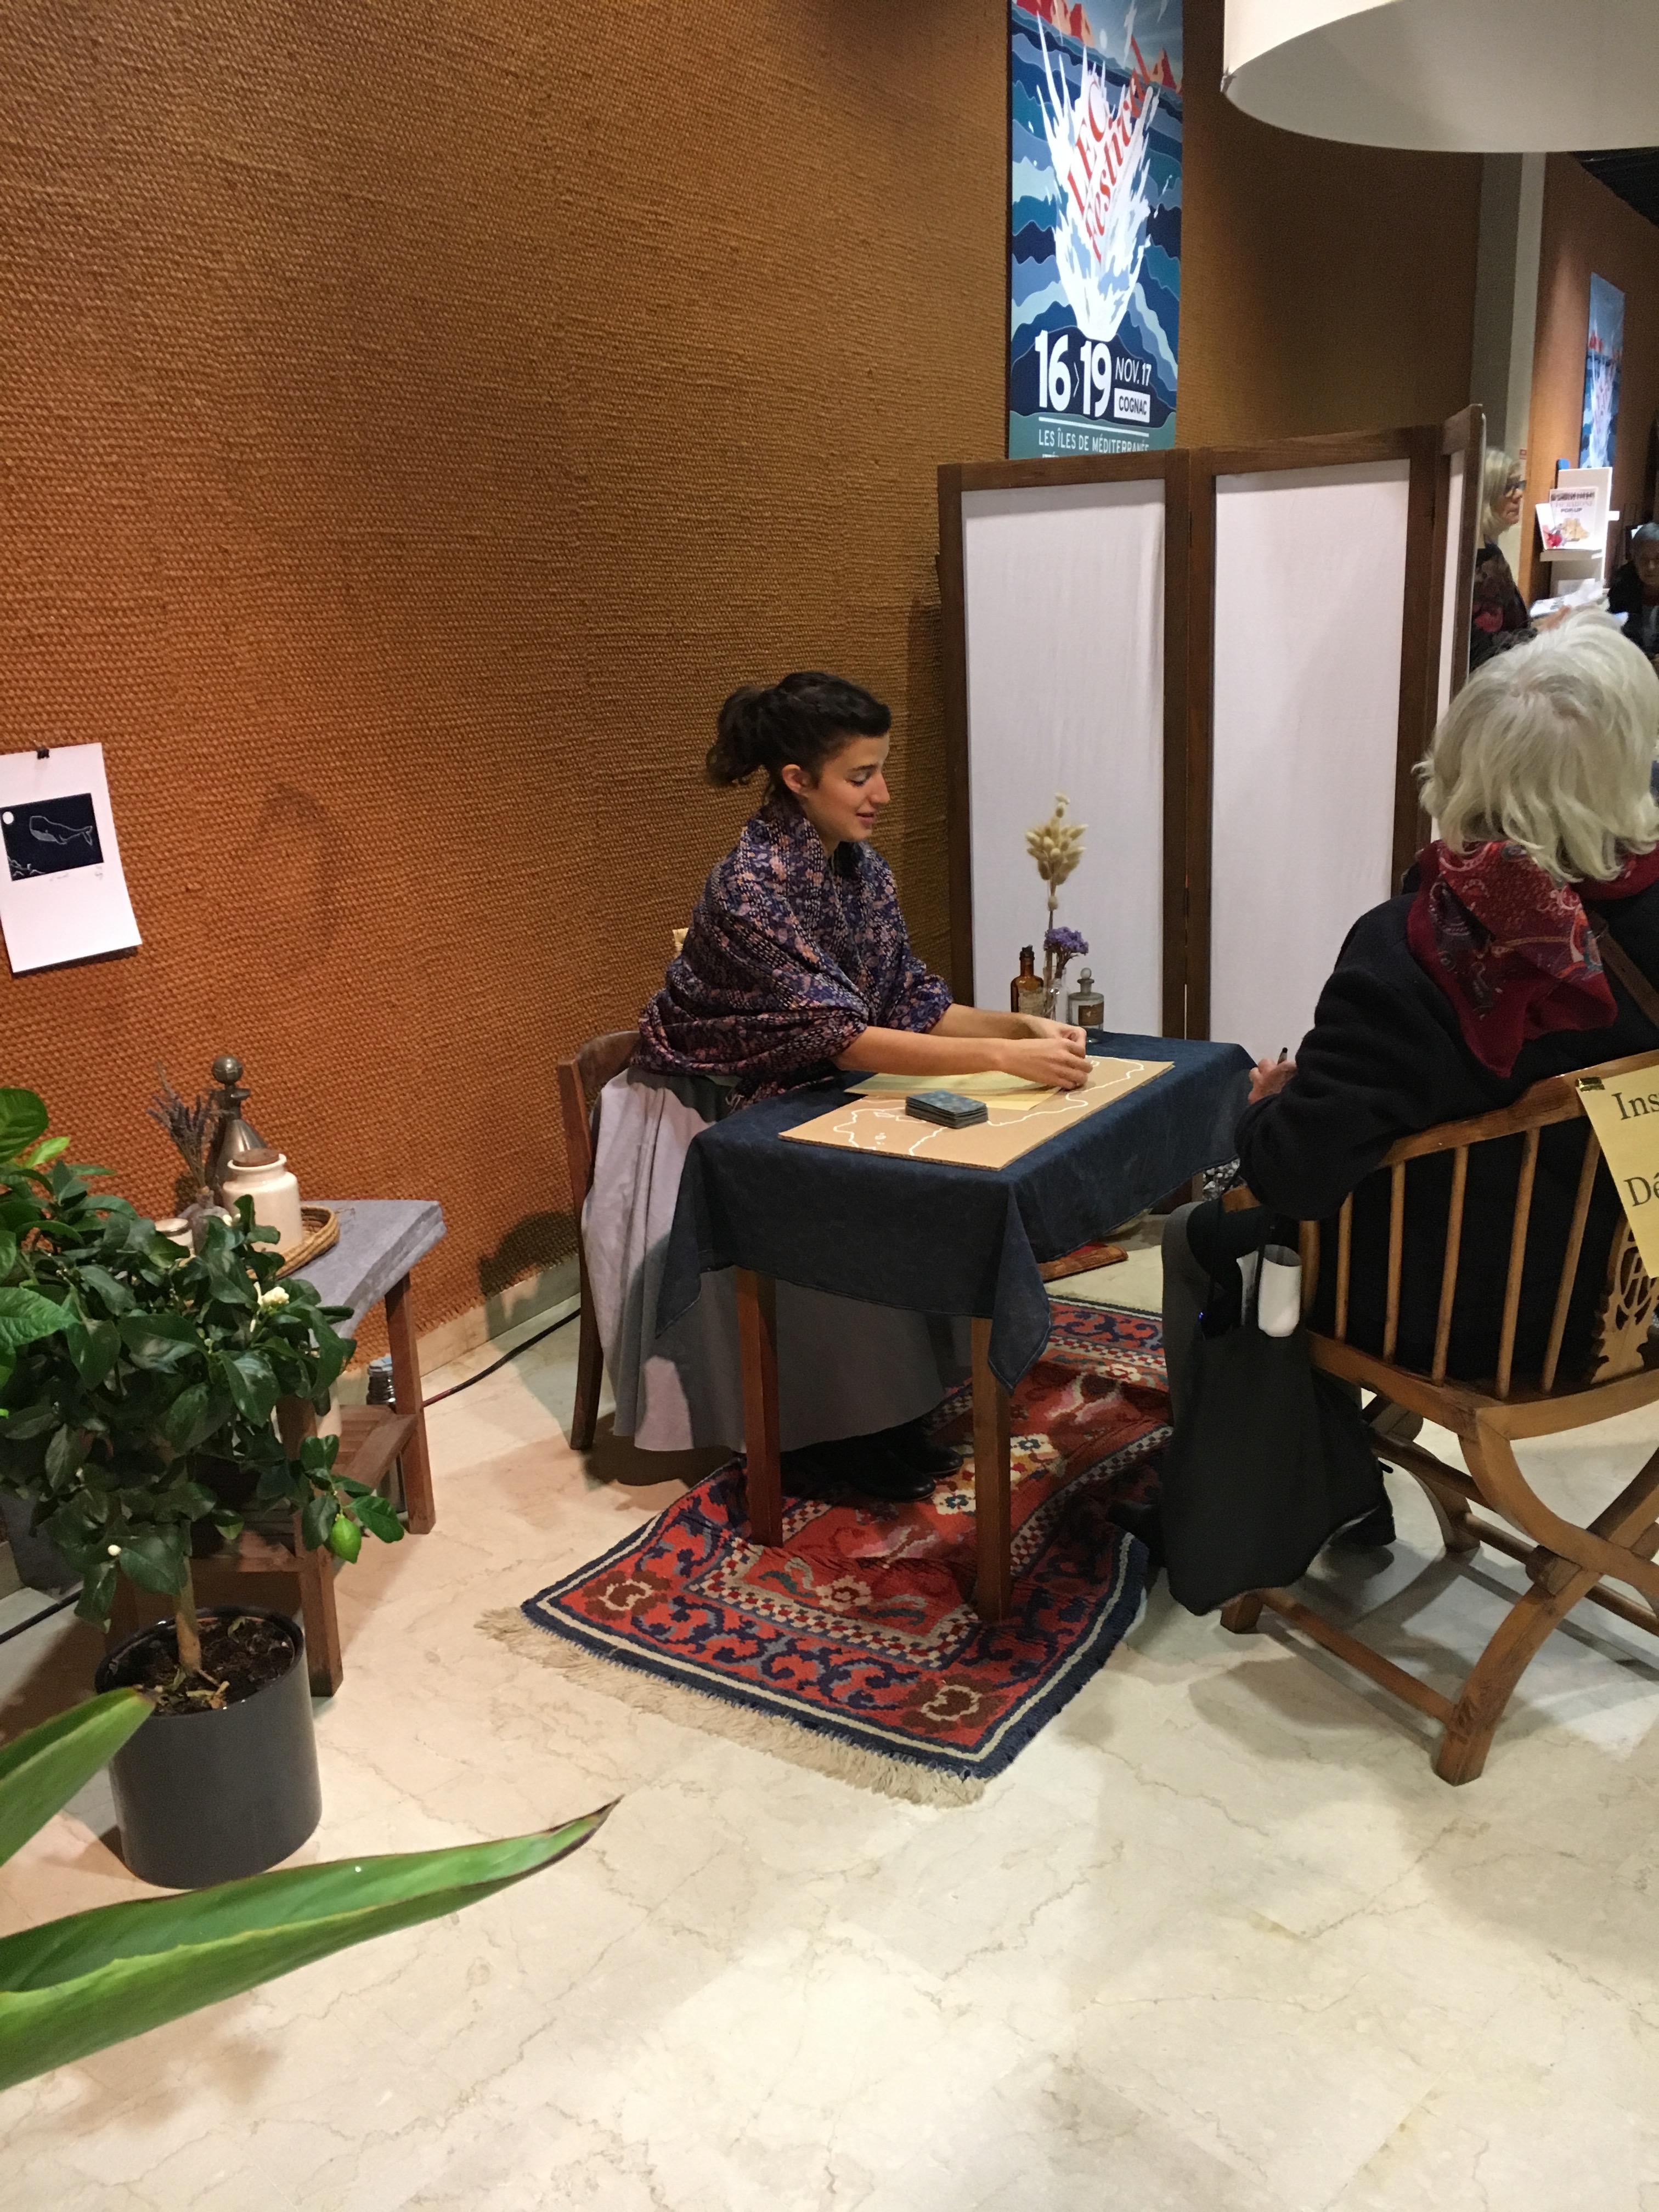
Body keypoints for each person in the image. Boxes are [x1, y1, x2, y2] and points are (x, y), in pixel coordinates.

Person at [1163, 611, 1659, 1544]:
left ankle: (1281, 1506)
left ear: (1461, 764)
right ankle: (1338, 1484)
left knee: (1206, 1236)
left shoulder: (1422, 946)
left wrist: (1264, 1111)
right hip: (1636, 1297)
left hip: (1484, 1326)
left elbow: (1297, 1174)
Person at [585, 671, 1091, 1501]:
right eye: (862, 776)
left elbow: (908, 1001)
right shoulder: (749, 887)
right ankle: (827, 1433)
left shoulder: (862, 872)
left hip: (805, 1081)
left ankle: (881, 1416)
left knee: (909, 1185)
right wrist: (1004, 1061)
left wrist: (1018, 1028)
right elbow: (845, 1038)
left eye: (881, 770)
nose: (882, 793)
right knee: (838, 1208)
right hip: (705, 1109)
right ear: (797, 779)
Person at [1470, 447, 1537, 671]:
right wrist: (1540, 635)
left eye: (1518, 485)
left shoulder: (1488, 553)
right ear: (1486, 494)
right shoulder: (1476, 563)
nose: (1519, 494)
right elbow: (1477, 648)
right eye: (1508, 487)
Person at [1609, 521, 1659, 663]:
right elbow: (1610, 634)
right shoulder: (1622, 590)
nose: (1650, 567)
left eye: (1658, 559)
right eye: (1643, 559)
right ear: (1635, 560)